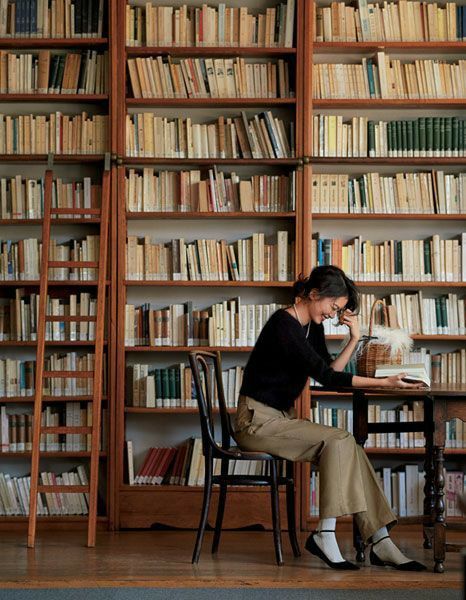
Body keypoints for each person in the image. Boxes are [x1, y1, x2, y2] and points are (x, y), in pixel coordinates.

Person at [234, 265, 427, 571]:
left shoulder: (312, 327)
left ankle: (380, 540)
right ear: (313, 295)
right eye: (332, 307)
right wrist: (385, 383)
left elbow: (330, 374)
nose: (333, 314)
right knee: (339, 440)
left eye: (338, 310)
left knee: (346, 444)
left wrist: (354, 338)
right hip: (255, 421)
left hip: (279, 419)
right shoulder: (283, 325)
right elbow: (328, 377)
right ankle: (330, 534)